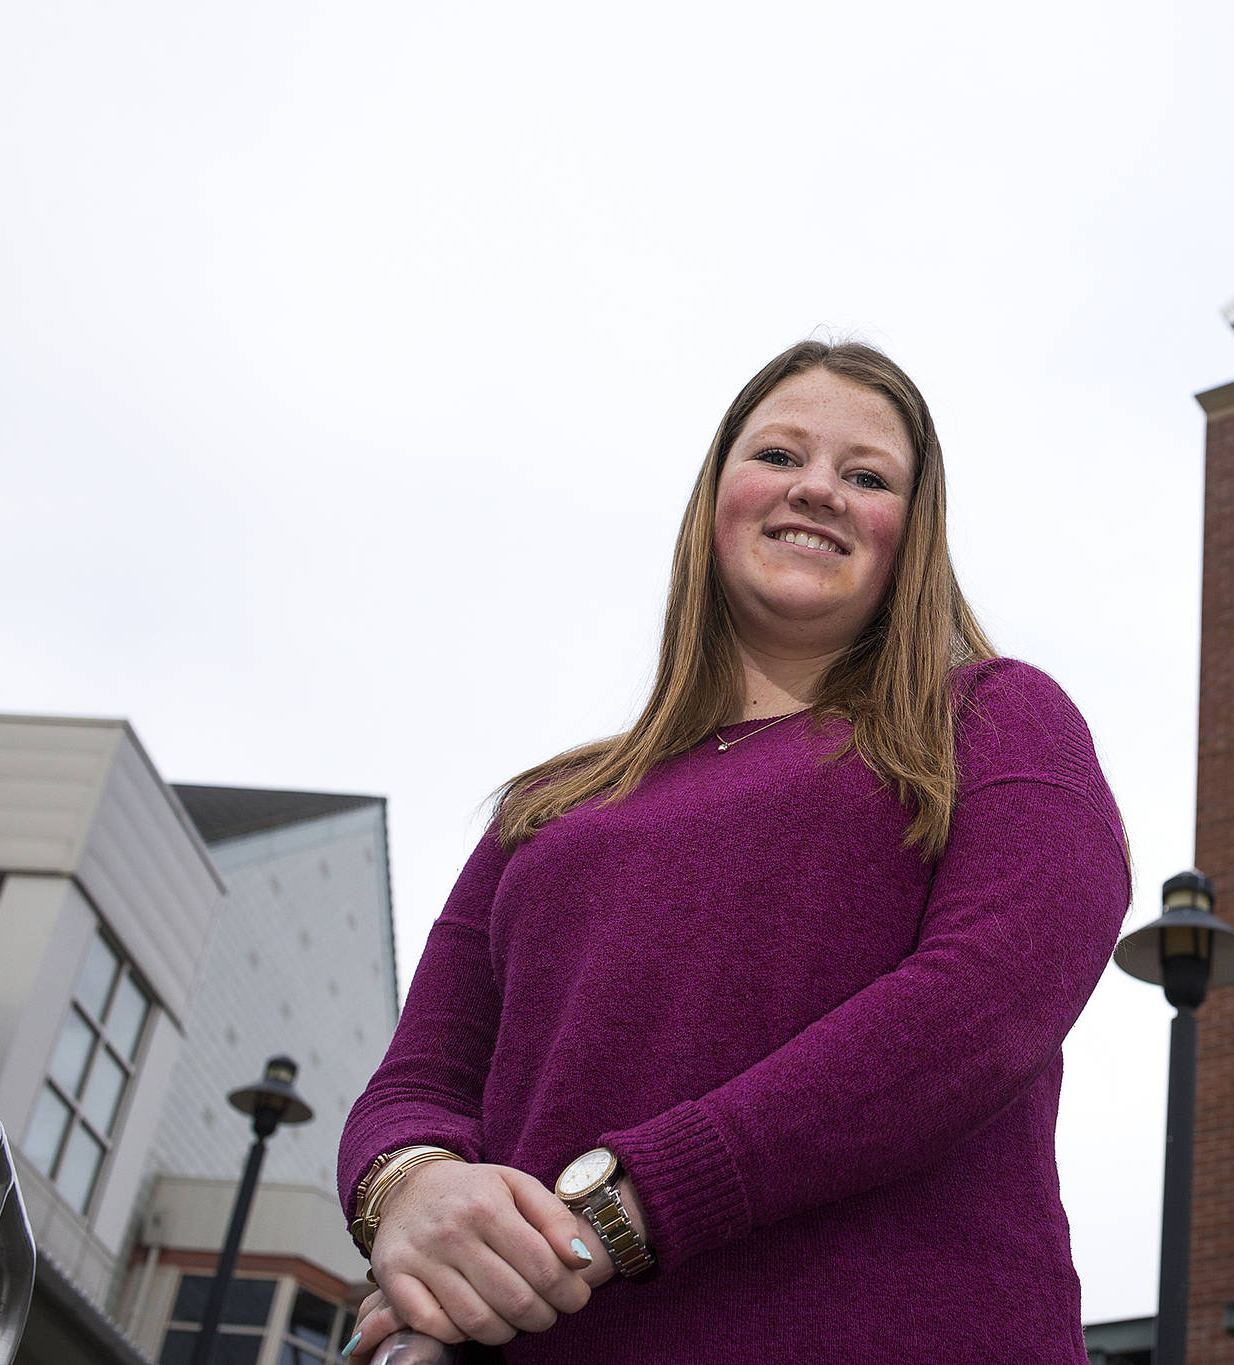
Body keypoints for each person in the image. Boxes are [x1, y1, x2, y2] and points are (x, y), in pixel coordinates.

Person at [336, 340, 1132, 1363]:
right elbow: (421, 1079)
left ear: (912, 534)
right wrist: (419, 1200)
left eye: (866, 476)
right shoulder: (551, 803)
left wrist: (620, 1211)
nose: (818, 490)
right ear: (716, 497)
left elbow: (989, 1002)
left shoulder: (993, 717)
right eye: (779, 456)